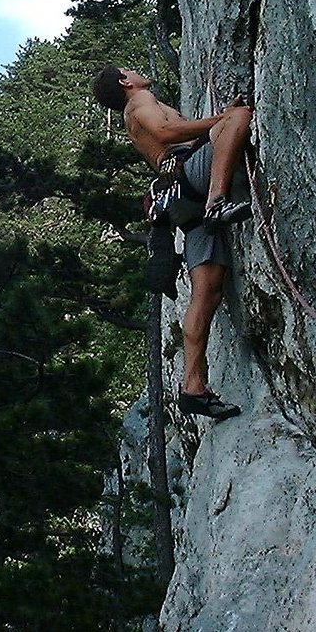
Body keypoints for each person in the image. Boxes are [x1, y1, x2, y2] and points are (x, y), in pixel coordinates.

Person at [92, 65, 253, 421]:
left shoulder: (135, 111)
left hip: (181, 201)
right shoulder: (140, 101)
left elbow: (180, 138)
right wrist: (222, 119)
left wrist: (215, 124)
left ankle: (192, 387)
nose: (136, 71)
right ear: (125, 82)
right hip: (191, 181)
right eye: (129, 70)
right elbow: (167, 133)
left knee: (206, 293)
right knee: (240, 117)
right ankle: (217, 201)